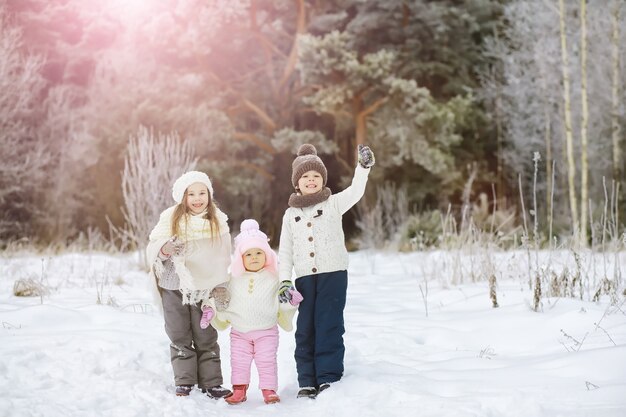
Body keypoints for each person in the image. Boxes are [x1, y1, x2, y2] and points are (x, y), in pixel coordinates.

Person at [278, 143, 375, 399]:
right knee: (306, 329)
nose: (311, 180)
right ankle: (307, 380)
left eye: (316, 176)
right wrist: (284, 281)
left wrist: (362, 168)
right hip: (304, 279)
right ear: (297, 183)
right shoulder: (290, 214)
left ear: (323, 180)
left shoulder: (333, 203)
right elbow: (285, 250)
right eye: (306, 177)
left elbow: (356, 191)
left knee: (329, 324)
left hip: (334, 275)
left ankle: (328, 377)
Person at [146, 170, 233, 399]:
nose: (197, 198)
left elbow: (223, 257)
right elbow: (154, 248)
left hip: (204, 289)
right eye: (191, 194)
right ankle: (184, 380)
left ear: (209, 194)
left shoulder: (217, 221)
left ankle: (212, 383)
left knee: (206, 335)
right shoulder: (170, 218)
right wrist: (165, 249)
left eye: (202, 192)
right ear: (182, 197)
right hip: (174, 285)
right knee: (179, 333)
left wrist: (221, 284)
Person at [211, 219, 303, 405]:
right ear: (240, 258)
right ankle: (239, 390)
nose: (254, 257)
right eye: (248, 254)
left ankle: (269, 390)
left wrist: (291, 302)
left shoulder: (273, 278)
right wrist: (212, 309)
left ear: (267, 255)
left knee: (266, 361)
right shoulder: (233, 279)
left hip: (266, 331)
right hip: (239, 333)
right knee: (239, 362)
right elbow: (222, 301)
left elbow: (281, 304)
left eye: (259, 253)